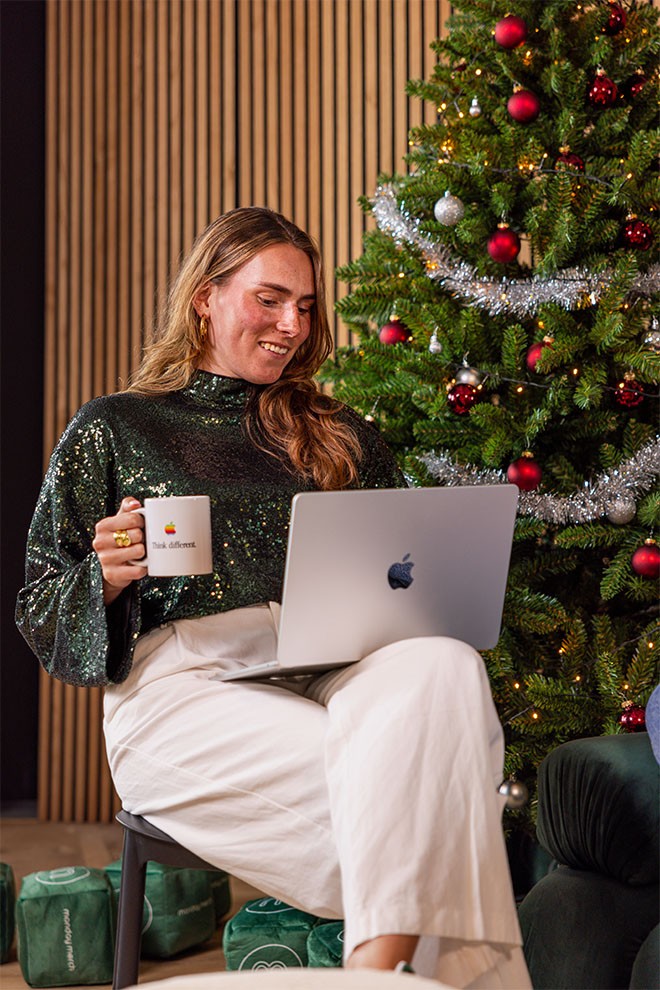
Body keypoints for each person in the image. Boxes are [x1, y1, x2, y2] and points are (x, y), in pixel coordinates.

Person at [16, 207, 531, 988]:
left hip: (330, 664)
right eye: (270, 298)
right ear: (206, 297)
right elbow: (40, 606)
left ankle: (372, 971)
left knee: (445, 664)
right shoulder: (116, 428)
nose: (292, 324)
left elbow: (406, 574)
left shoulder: (338, 434)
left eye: (306, 306)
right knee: (429, 788)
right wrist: (108, 575)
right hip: (182, 690)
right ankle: (392, 971)